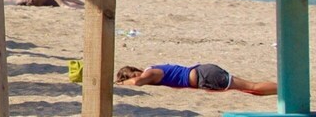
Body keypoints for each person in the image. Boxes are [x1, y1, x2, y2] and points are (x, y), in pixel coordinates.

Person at [116, 64, 278, 96]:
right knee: (252, 90)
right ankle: (282, 90)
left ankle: (285, 89)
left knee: (252, 87)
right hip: (204, 75)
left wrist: (122, 83)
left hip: (205, 76)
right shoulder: (150, 73)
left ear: (136, 70)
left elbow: (138, 82)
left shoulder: (150, 73)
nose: (135, 79)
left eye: (133, 75)